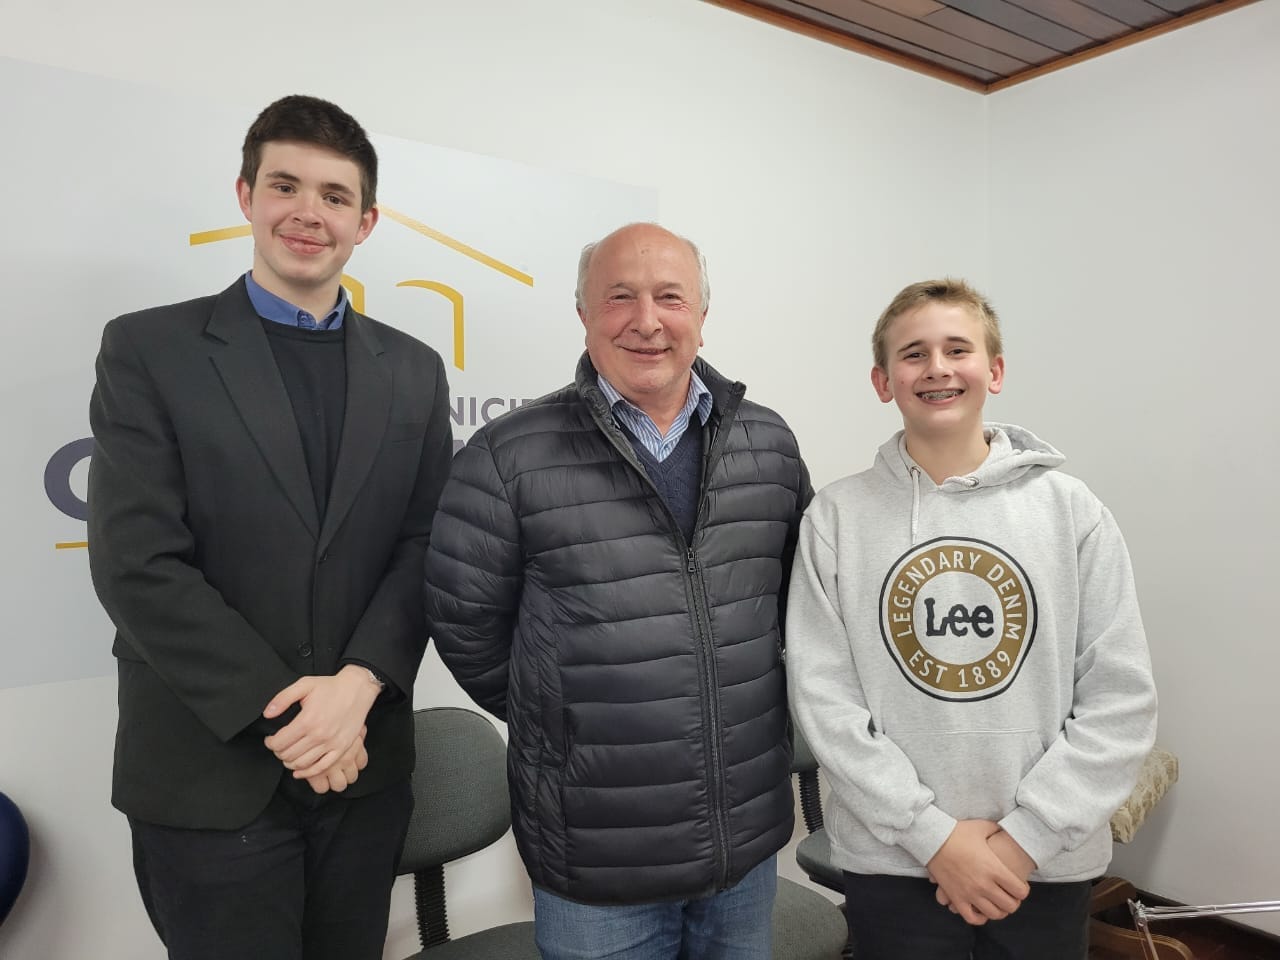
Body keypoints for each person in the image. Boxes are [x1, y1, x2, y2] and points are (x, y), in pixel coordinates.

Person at [87, 94, 453, 960]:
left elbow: (426, 546)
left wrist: (359, 685)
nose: (307, 212)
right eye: (285, 186)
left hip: (362, 766)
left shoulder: (414, 369)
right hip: (210, 776)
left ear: (365, 223)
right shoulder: (149, 350)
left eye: (335, 196)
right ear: (246, 196)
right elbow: (138, 562)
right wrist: (298, 719)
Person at [424, 222, 811, 959]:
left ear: (702, 312)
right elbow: (465, 624)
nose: (646, 320)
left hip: (743, 843)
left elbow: (797, 606)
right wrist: (563, 719)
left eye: (670, 297)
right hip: (596, 855)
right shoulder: (509, 455)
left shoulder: (768, 444)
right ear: (583, 314)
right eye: (619, 297)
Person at [785, 278, 1158, 960]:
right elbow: (823, 701)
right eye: (913, 354)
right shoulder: (836, 519)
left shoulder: (1072, 512)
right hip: (894, 862)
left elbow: (1120, 698)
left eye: (958, 349)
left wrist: (1023, 841)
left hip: (1044, 863)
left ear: (996, 370)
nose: (937, 368)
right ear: (882, 380)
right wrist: (932, 838)